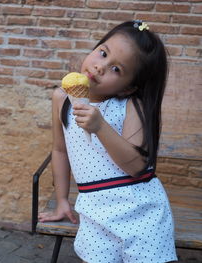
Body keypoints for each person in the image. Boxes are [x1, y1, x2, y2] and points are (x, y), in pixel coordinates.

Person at [38, 21, 178, 263]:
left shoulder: (130, 105)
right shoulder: (62, 98)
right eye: (103, 53)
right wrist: (62, 201)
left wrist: (101, 127)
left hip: (139, 210)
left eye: (116, 69)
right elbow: (60, 151)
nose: (100, 67)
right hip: (93, 210)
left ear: (128, 88)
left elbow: (136, 166)